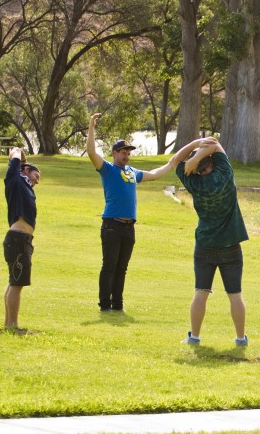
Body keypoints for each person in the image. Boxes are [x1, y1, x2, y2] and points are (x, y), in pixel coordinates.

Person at [86, 113, 172, 312]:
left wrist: (172, 163)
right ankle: (105, 305)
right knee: (109, 266)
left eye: (128, 153)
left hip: (128, 226)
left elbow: (154, 175)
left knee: (121, 268)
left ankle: (118, 305)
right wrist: (91, 126)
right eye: (123, 152)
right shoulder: (107, 169)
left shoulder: (132, 172)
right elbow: (91, 152)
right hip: (112, 225)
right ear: (115, 153)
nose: (126, 155)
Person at [169, 137, 249, 346]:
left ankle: (194, 337)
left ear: (196, 169)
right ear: (212, 164)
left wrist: (194, 150)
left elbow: (175, 161)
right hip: (231, 244)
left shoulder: (193, 182)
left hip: (205, 245)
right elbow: (215, 144)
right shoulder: (225, 174)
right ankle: (241, 339)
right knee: (235, 295)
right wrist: (201, 148)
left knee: (201, 292)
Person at [3, 147, 41, 333]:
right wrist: (19, 155)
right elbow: (16, 154)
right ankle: (13, 325)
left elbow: (20, 158)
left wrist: (23, 160)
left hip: (22, 239)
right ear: (25, 170)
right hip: (18, 238)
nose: (37, 181)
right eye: (36, 175)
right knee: (17, 284)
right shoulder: (15, 179)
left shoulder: (25, 187)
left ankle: (8, 324)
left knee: (14, 282)